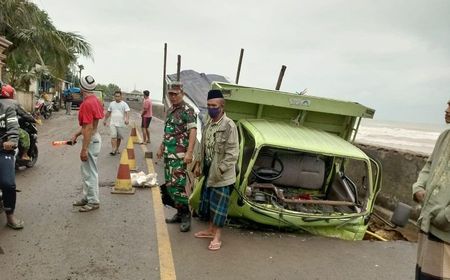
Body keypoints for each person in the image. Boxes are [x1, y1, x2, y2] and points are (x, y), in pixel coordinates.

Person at [193, 89, 239, 251]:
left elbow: (233, 154)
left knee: (219, 208)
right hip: (208, 171)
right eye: (208, 105)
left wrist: (219, 171)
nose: (210, 108)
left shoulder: (229, 126)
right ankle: (210, 230)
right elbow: (203, 145)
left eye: (214, 105)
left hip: (221, 175)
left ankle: (217, 237)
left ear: (222, 107)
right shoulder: (207, 122)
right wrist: (198, 163)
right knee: (208, 204)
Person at [412, 99, 450, 279]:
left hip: (445, 230)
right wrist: (418, 187)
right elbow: (428, 166)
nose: (446, 109)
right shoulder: (445, 136)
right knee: (423, 275)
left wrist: (445, 217)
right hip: (430, 222)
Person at [157, 83, 197, 232]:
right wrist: (162, 146)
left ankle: (186, 215)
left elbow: (192, 131)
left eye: (175, 94)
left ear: (182, 93)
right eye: (170, 94)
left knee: (177, 185)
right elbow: (169, 131)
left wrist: (189, 152)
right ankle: (179, 213)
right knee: (169, 185)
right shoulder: (170, 110)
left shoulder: (188, 110)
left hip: (179, 154)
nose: (173, 97)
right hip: (169, 153)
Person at [70, 75, 104, 212]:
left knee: (90, 172)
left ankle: (93, 201)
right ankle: (87, 197)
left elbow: (88, 127)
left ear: (81, 87)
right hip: (94, 136)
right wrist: (77, 134)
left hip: (90, 139)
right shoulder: (96, 101)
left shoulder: (86, 104)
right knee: (86, 171)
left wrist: (84, 149)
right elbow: (90, 125)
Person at [0, 82, 24, 229]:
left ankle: (10, 216)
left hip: (3, 149)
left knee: (8, 183)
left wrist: (12, 141)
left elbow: (13, 128)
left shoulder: (7, 108)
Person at [0, 84, 35, 161]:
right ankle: (24, 155)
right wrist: (33, 119)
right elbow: (24, 114)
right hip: (9, 129)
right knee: (25, 135)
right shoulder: (13, 102)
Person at [103, 90, 130, 155]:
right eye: (116, 96)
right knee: (113, 136)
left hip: (120, 124)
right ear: (114, 97)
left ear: (121, 96)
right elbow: (108, 112)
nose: (117, 97)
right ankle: (113, 150)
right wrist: (105, 120)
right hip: (113, 123)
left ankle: (117, 148)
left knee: (119, 138)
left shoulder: (124, 104)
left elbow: (127, 112)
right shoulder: (112, 103)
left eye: (118, 96)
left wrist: (127, 119)